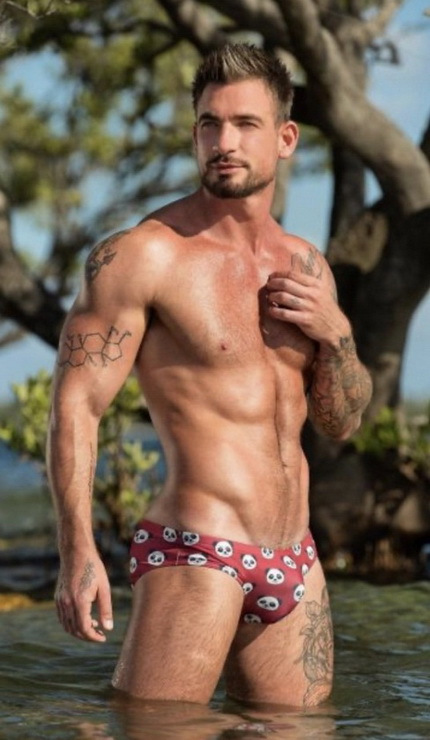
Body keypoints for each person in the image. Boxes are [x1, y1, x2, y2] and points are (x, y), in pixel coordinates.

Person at [47, 43, 372, 709]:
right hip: (198, 551)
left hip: (295, 558)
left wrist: (337, 335)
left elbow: (340, 423)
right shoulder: (143, 256)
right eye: (209, 124)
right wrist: (77, 550)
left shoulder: (307, 267)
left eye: (245, 124)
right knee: (158, 729)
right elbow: (75, 406)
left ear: (285, 138)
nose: (224, 142)